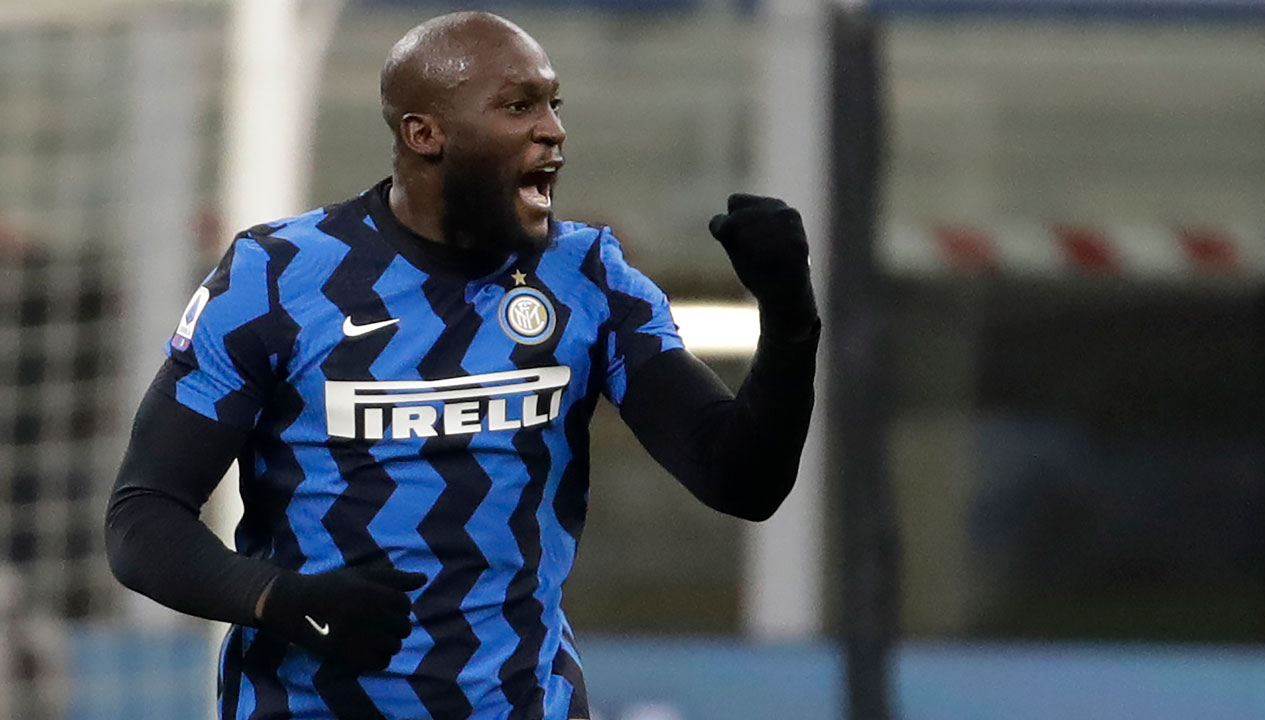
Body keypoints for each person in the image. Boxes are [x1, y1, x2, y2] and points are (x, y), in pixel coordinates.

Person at [105, 11, 819, 720]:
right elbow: (143, 517)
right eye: (519, 106)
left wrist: (789, 319)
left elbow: (741, 480)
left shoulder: (588, 278)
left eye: (553, 104)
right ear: (425, 134)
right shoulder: (277, 278)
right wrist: (279, 599)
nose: (553, 130)